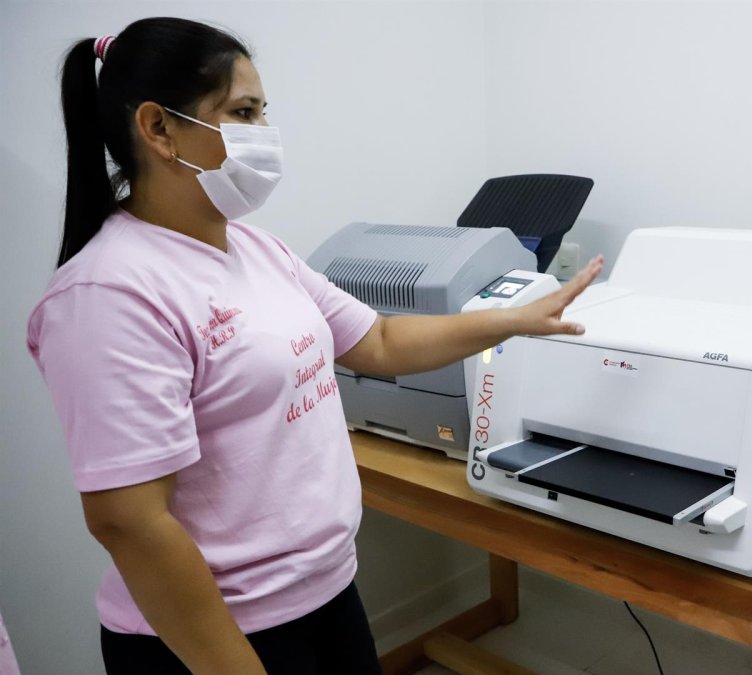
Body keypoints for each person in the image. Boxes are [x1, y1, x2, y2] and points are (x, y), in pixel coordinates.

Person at [27, 17, 602, 675]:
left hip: (325, 595)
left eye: (263, 112)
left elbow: (379, 340)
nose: (263, 135)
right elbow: (129, 522)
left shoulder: (254, 247)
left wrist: (514, 319)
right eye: (242, 113)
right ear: (158, 129)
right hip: (216, 636)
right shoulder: (110, 293)